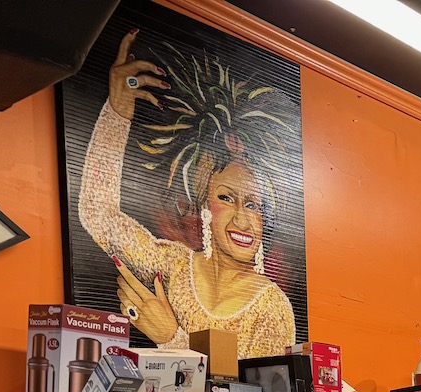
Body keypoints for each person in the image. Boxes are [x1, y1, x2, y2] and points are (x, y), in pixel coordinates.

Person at [78, 29, 298, 358]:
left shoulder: (272, 306)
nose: (242, 218)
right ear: (204, 204)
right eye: (227, 198)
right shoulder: (174, 265)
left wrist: (171, 337)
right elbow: (98, 214)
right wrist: (118, 111)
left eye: (253, 205)